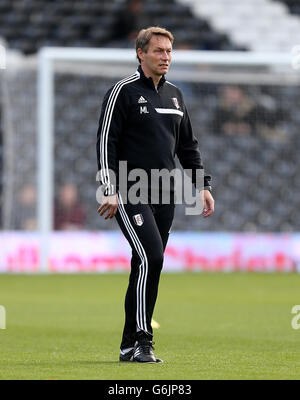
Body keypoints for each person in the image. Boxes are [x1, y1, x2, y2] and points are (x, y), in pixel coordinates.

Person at [96, 27, 214, 363]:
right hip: (130, 189)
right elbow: (106, 143)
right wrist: (109, 188)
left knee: (145, 264)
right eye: (159, 51)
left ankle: (126, 345)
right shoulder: (123, 91)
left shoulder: (176, 95)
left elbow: (187, 145)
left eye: (169, 52)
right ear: (141, 53)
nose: (166, 57)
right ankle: (143, 341)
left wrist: (203, 185)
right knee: (153, 257)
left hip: (166, 192)